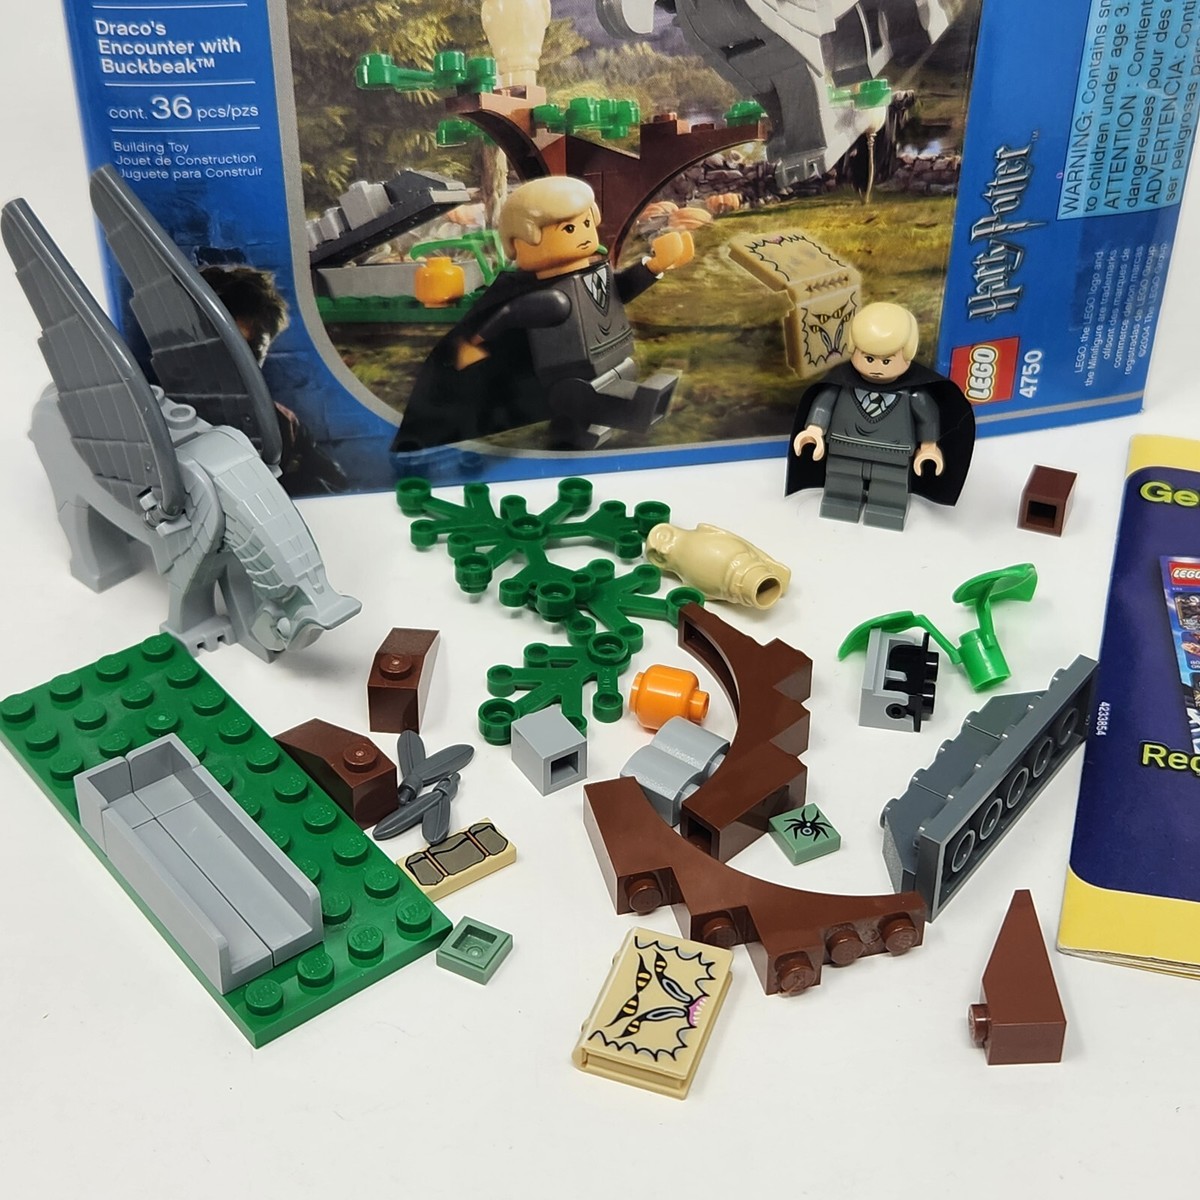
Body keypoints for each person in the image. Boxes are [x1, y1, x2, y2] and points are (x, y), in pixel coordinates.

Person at [394, 176, 694, 451]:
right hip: (568, 381)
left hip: (608, 360)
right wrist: (476, 341)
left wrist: (654, 266)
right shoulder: (543, 295)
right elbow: (508, 314)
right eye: (569, 229)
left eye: (586, 223)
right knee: (581, 409)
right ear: (522, 241)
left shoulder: (593, 273)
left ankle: (584, 435)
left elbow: (618, 291)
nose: (584, 234)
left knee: (596, 414)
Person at [785, 301, 974, 531]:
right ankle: (841, 502)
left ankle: (887, 509)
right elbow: (824, 405)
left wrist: (928, 447)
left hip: (894, 453)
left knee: (890, 488)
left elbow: (927, 418)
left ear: (908, 354)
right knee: (841, 480)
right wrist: (814, 430)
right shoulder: (841, 384)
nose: (877, 367)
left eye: (886, 361)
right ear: (854, 349)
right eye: (869, 358)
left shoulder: (913, 394)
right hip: (844, 447)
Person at [201, 265, 348, 495]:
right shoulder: (164, 418)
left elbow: (336, 488)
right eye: (225, 346)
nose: (240, 362)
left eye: (254, 349)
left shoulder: (283, 424)